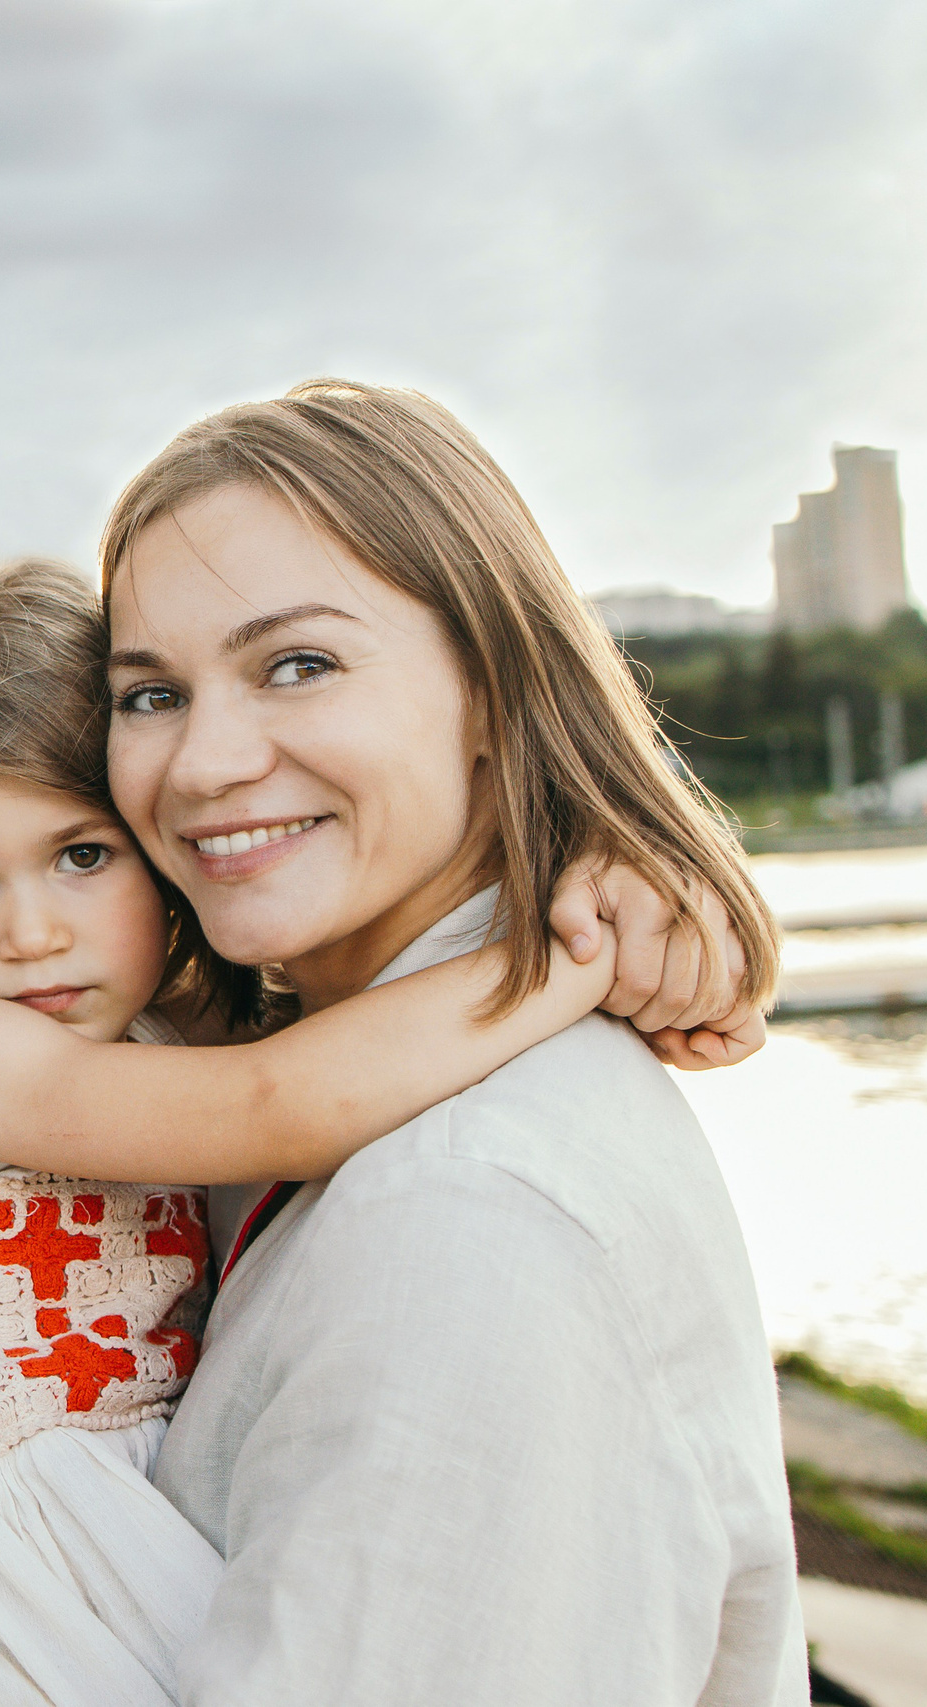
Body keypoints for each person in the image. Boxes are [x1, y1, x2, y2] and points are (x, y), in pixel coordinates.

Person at [0, 561, 736, 1705]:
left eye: (81, 856)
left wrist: (613, 869)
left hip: (85, 1546)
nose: (29, 935)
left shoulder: (160, 1033)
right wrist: (571, 950)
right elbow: (285, 1105)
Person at [101, 381, 802, 1702]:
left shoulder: (467, 1210)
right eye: (148, 692)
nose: (200, 761)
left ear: (493, 691)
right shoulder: (319, 1085)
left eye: (297, 663)